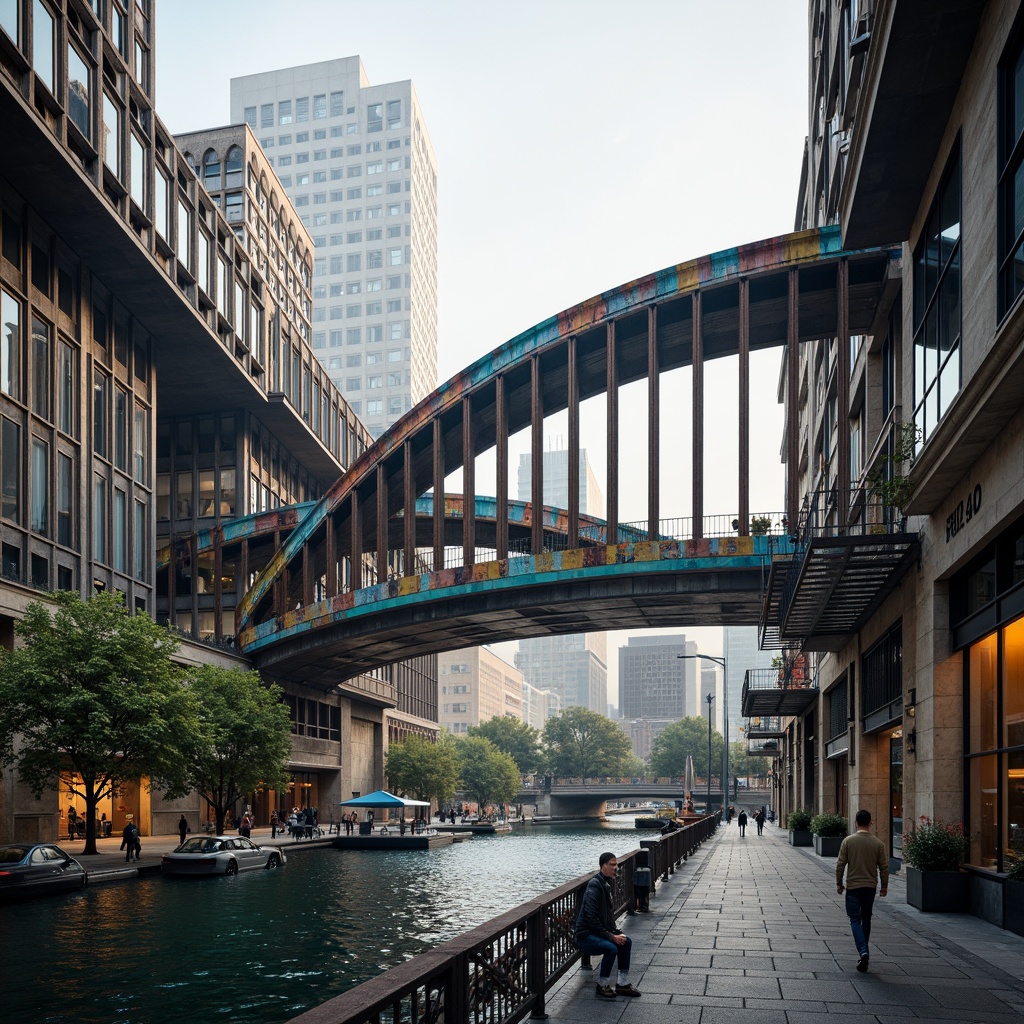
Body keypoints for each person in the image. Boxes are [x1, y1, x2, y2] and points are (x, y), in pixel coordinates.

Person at [573, 852, 641, 1000]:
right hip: (585, 935)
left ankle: (622, 983)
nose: (616, 868)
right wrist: (611, 936)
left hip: (597, 932)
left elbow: (605, 917)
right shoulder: (594, 886)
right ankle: (602, 985)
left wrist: (615, 933)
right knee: (612, 948)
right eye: (612, 865)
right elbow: (591, 919)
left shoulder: (605, 883)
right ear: (603, 866)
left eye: (616, 864)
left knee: (626, 941)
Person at [836, 808, 889, 973]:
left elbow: (840, 864)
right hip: (870, 887)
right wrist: (884, 886)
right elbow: (884, 867)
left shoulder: (848, 841)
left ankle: (863, 951)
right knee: (867, 919)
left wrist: (839, 882)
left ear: (856, 822)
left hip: (853, 886)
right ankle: (864, 951)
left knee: (854, 920)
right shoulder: (878, 843)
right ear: (870, 822)